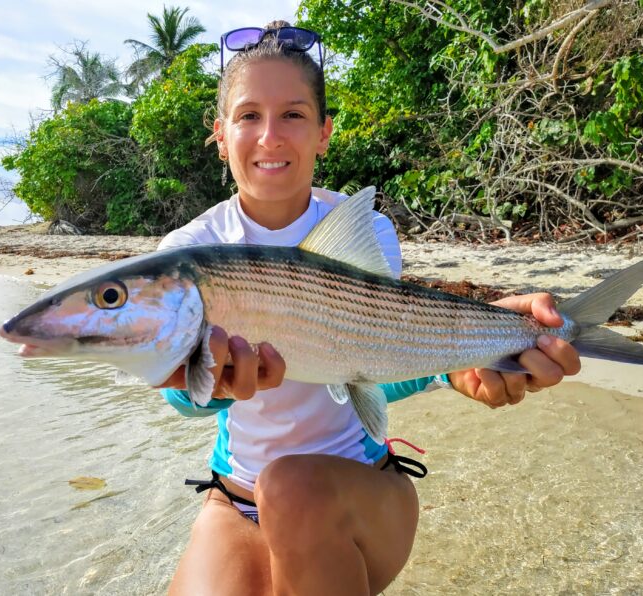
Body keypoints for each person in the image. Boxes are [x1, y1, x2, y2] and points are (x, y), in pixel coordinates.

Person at [157, 21, 581, 596]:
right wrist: (213, 383)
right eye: (249, 115)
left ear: (325, 133)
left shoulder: (363, 229)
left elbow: (372, 363)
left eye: (294, 115)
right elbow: (185, 404)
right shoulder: (187, 251)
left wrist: (459, 362)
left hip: (360, 492)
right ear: (221, 133)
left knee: (292, 487)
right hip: (237, 496)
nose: (270, 136)